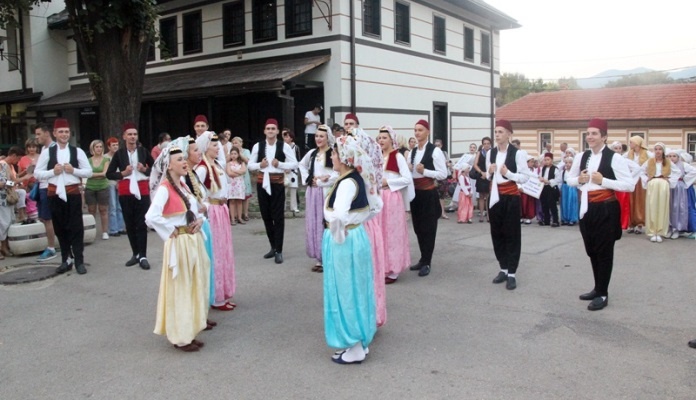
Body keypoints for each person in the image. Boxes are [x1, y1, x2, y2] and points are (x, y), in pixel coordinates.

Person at [145, 145, 211, 352]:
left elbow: (194, 209)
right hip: (180, 243)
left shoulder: (182, 185)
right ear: (168, 165)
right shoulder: (165, 188)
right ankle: (180, 337)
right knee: (181, 288)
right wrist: (170, 230)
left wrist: (200, 220)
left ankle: (189, 331)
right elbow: (150, 217)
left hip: (192, 240)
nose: (184, 162)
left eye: (184, 158)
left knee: (193, 286)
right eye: (179, 159)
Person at [567, 118, 634, 311]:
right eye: (588, 133)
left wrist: (603, 180)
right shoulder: (581, 157)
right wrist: (579, 179)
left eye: (595, 133)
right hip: (587, 208)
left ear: (604, 137)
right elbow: (569, 179)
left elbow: (629, 185)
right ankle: (597, 288)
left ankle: (603, 293)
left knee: (604, 252)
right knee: (592, 250)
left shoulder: (615, 158)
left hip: (606, 208)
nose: (590, 137)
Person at [323, 133, 378, 365]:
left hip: (343, 239)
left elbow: (340, 216)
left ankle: (354, 344)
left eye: (335, 153)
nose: (332, 156)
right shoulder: (355, 177)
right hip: (354, 236)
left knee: (346, 290)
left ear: (344, 157)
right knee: (356, 288)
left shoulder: (347, 182)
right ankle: (356, 343)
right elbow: (376, 207)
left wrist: (332, 223)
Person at [34, 118, 93, 275]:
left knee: (76, 227)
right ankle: (65, 259)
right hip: (54, 194)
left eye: (66, 131)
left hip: (72, 193)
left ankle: (79, 261)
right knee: (60, 228)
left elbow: (88, 171)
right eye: (61, 131)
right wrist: (53, 172)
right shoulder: (47, 153)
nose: (64, 134)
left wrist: (73, 170)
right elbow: (37, 174)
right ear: (54, 133)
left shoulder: (77, 151)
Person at [486, 120, 530, 290]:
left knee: (512, 234)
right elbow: (488, 175)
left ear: (509, 134)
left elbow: (525, 177)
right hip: (495, 196)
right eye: (496, 132)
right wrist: (489, 172)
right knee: (496, 233)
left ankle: (512, 272)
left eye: (501, 132)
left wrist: (508, 173)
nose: (497, 135)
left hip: (511, 197)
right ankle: (503, 268)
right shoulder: (491, 153)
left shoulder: (517, 153)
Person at [196, 132, 237, 311]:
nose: (217, 147)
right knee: (216, 252)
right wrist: (205, 207)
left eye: (217, 145)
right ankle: (215, 296)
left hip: (222, 209)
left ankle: (223, 292)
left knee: (224, 251)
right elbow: (198, 192)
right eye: (213, 145)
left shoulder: (218, 164)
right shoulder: (203, 168)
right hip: (213, 210)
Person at [248, 118, 298, 264]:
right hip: (262, 183)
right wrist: (260, 164)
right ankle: (272, 246)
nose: (270, 131)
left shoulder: (284, 146)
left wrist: (280, 164)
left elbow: (294, 163)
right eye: (268, 128)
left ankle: (279, 250)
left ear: (277, 131)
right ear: (264, 131)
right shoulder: (258, 146)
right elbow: (250, 165)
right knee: (266, 216)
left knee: (278, 217)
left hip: (277, 184)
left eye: (273, 128)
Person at [105, 122, 155, 270]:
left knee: (141, 223)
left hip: (142, 189)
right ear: (124, 136)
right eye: (130, 134)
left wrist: (144, 169)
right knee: (130, 223)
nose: (133, 137)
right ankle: (136, 253)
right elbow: (109, 174)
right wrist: (122, 173)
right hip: (126, 190)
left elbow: (155, 169)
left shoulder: (143, 151)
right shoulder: (119, 154)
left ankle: (143, 255)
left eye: (135, 134)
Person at [407, 119, 448, 277]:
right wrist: (409, 169)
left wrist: (426, 172)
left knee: (428, 229)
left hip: (428, 193)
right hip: (415, 194)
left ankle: (427, 261)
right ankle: (423, 258)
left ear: (428, 132)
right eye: (416, 130)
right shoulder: (413, 152)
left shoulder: (435, 151)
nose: (417, 133)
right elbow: (408, 175)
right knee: (418, 228)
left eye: (420, 130)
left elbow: (443, 174)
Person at [377, 126, 414, 283]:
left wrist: (389, 182)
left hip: (392, 198)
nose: (381, 140)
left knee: (392, 233)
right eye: (379, 138)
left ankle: (393, 269)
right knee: (380, 232)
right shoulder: (377, 157)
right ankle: (381, 265)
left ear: (392, 140)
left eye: (384, 138)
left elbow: (407, 179)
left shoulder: (397, 157)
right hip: (378, 197)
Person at [298, 124, 337, 272]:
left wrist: (322, 180)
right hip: (313, 192)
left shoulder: (332, 153)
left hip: (326, 192)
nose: (318, 139)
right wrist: (308, 178)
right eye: (316, 136)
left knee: (325, 223)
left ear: (328, 137)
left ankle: (328, 256)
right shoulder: (313, 153)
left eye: (322, 136)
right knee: (314, 223)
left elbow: (337, 173)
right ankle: (319, 257)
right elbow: (301, 164)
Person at [640, 143, 679, 243]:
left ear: (663, 151)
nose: (657, 151)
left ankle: (660, 232)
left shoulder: (668, 162)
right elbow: (640, 171)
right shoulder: (649, 161)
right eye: (656, 149)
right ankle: (652, 232)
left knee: (662, 207)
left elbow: (677, 172)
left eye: (660, 149)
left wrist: (669, 180)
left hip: (663, 184)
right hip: (652, 184)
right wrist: (647, 179)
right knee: (651, 206)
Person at [33, 123, 58, 262]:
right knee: (45, 218)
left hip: (49, 187)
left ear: (47, 133)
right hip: (42, 186)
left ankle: (51, 248)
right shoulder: (44, 148)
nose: (36, 137)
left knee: (48, 218)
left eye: (38, 134)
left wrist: (41, 174)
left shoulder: (54, 149)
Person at [666, 148, 696, 239]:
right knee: (669, 208)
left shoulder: (683, 165)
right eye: (670, 156)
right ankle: (670, 228)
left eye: (674, 156)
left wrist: (684, 180)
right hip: (670, 187)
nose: (672, 158)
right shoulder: (667, 165)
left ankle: (677, 228)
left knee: (678, 208)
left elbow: (694, 171)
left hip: (679, 189)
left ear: (678, 157)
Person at [84, 140, 111, 239]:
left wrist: (93, 175)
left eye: (100, 147)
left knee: (103, 209)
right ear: (92, 148)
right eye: (97, 147)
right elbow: (87, 174)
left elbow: (105, 174)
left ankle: (105, 231)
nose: (99, 149)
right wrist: (96, 175)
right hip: (90, 187)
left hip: (103, 187)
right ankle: (92, 231)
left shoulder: (106, 160)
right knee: (91, 210)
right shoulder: (88, 160)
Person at [625, 136, 652, 234]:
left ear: (637, 143)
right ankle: (631, 223)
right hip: (632, 179)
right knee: (630, 200)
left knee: (640, 201)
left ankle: (640, 223)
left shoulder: (647, 153)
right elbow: (620, 161)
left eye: (631, 142)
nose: (630, 144)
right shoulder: (628, 154)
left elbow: (654, 162)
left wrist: (650, 174)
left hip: (641, 179)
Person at [105, 137, 126, 237]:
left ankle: (121, 227)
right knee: (112, 206)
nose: (115, 147)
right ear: (109, 147)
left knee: (120, 206)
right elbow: (108, 173)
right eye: (113, 145)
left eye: (117, 145)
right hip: (111, 183)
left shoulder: (121, 156)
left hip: (120, 182)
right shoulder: (106, 158)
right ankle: (113, 229)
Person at [18, 139, 40, 224]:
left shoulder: (41, 156)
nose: (31, 149)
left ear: (37, 148)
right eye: (29, 147)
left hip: (39, 183)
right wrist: (25, 171)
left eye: (33, 147)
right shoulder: (23, 159)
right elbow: (18, 175)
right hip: (28, 185)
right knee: (30, 206)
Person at [610, 142, 631, 230]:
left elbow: (637, 169)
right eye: (616, 148)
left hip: (621, 186)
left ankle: (623, 224)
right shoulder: (609, 159)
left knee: (623, 205)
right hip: (612, 185)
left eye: (619, 148)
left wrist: (629, 179)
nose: (618, 150)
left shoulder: (625, 160)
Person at [231, 136, 252, 221]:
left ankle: (245, 213)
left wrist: (239, 153)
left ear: (241, 143)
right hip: (234, 176)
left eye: (236, 143)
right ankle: (236, 215)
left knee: (246, 195)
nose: (234, 144)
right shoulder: (231, 152)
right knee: (235, 196)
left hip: (244, 174)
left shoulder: (246, 151)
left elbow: (248, 161)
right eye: (233, 143)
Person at [226, 146, 247, 225]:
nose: (233, 155)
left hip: (239, 184)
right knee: (232, 201)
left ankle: (239, 217)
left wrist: (234, 171)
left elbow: (244, 171)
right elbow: (229, 173)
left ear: (238, 154)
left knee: (239, 201)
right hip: (232, 184)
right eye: (232, 154)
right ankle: (232, 218)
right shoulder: (228, 164)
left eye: (235, 154)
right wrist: (238, 172)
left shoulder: (241, 163)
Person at [282, 128, 301, 213]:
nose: (285, 138)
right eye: (285, 137)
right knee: (283, 190)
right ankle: (282, 207)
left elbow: (298, 160)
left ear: (291, 138)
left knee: (293, 189)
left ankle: (294, 207)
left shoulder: (295, 148)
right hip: (284, 170)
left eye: (287, 137)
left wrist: (291, 168)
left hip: (293, 171)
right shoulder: (281, 147)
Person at [539, 153, 560, 227]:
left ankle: (555, 221)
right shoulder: (543, 168)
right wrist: (540, 179)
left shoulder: (555, 169)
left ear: (552, 160)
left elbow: (558, 179)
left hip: (551, 188)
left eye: (548, 160)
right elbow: (540, 176)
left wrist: (548, 181)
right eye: (545, 160)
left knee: (552, 205)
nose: (546, 161)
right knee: (544, 204)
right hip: (544, 188)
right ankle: (546, 220)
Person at [473, 137, 492, 222]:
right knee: (481, 196)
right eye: (485, 144)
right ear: (482, 144)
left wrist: (488, 174)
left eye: (488, 143)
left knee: (488, 196)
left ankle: (488, 215)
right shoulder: (480, 153)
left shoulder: (493, 152)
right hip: (481, 176)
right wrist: (481, 172)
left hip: (490, 176)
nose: (486, 145)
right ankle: (481, 214)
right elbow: (475, 165)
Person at [434, 139, 452, 220]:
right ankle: (435, 212)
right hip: (435, 176)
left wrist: (448, 164)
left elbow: (449, 163)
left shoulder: (444, 153)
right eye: (436, 145)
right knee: (434, 195)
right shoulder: (432, 153)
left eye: (438, 145)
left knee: (442, 196)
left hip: (443, 177)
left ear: (441, 145)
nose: (437, 147)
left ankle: (442, 212)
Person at [559, 156, 579, 226]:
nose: (568, 164)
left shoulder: (575, 172)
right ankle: (564, 218)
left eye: (570, 162)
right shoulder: (563, 172)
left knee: (572, 203)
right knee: (564, 203)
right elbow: (560, 181)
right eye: (566, 162)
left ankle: (572, 219)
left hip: (572, 187)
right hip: (564, 187)